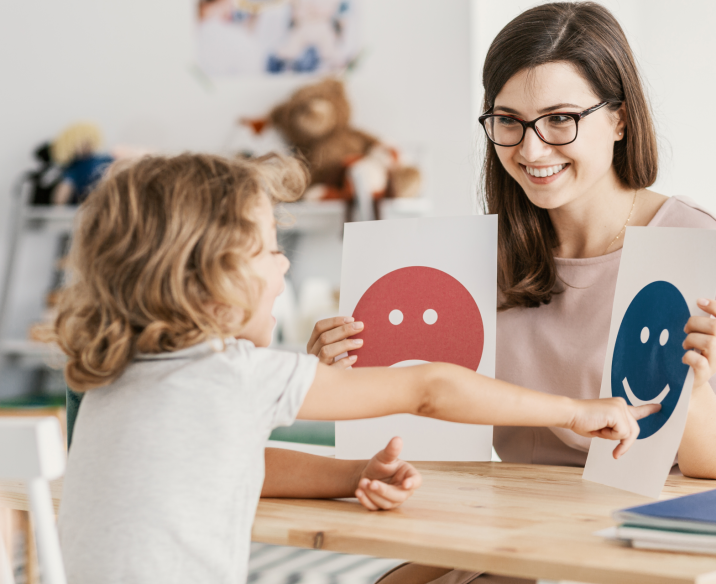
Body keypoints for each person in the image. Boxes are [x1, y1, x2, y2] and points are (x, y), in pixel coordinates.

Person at [51, 151, 653, 584]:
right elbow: (430, 386)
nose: (284, 266)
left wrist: (354, 474)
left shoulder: (115, 379)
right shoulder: (232, 373)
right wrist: (577, 410)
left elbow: (235, 461)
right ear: (206, 281)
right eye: (268, 249)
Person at [309, 2, 716, 583]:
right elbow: (424, 420)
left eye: (559, 119)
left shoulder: (697, 245)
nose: (530, 150)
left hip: (635, 542)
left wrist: (700, 385)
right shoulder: (477, 261)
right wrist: (335, 373)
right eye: (508, 121)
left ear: (620, 119)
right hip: (507, 529)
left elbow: (707, 472)